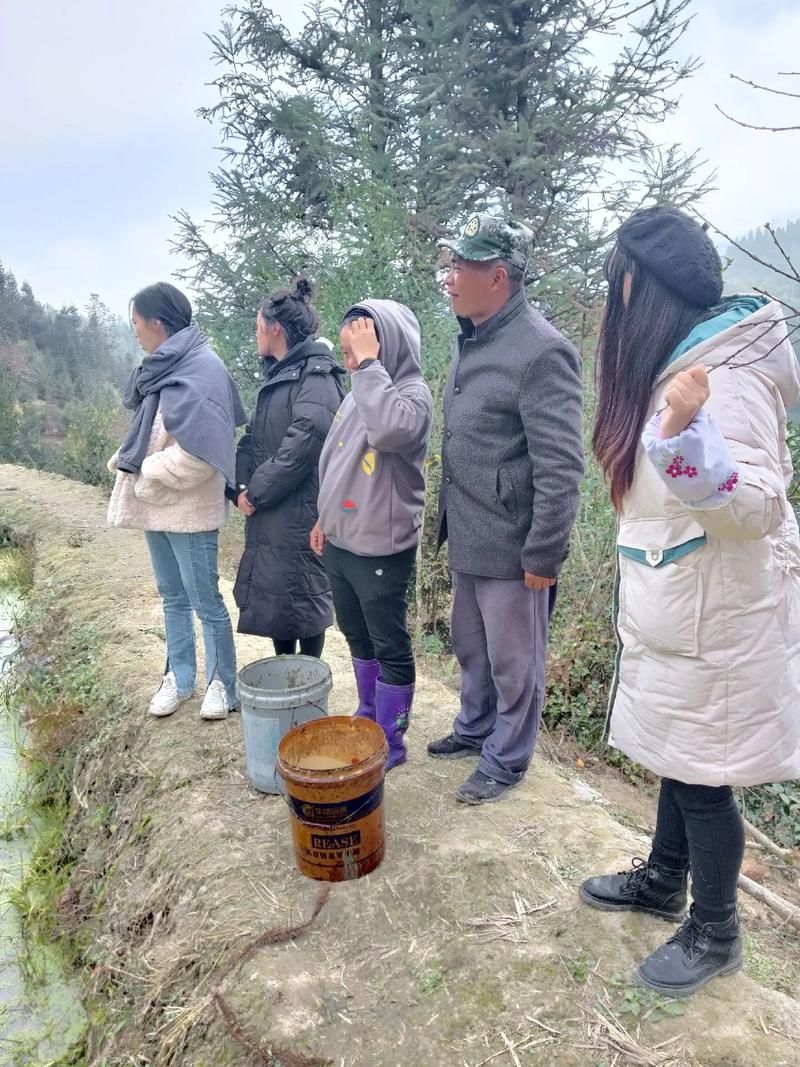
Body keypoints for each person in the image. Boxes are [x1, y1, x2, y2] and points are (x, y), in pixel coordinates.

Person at [581, 206, 800, 996]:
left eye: (617, 286)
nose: (612, 304)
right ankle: (665, 880)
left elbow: (759, 504)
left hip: (719, 617)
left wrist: (678, 434)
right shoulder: (684, 361)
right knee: (681, 754)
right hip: (685, 606)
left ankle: (716, 931)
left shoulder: (725, 377)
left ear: (642, 287)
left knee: (705, 777)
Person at [428, 214, 584, 804]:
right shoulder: (476, 337)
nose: (449, 277)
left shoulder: (542, 351)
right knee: (471, 645)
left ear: (497, 277)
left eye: (459, 267)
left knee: (516, 663)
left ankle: (507, 757)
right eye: (449, 264)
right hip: (470, 531)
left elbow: (561, 467)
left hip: (514, 544)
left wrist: (544, 554)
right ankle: (474, 728)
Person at [108, 282, 246, 720]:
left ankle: (223, 684)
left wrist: (146, 470)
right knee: (172, 596)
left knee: (205, 598)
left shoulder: (203, 369)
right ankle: (180, 678)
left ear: (158, 323)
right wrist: (128, 460)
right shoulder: (161, 366)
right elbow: (153, 430)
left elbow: (204, 452)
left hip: (189, 505)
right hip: (155, 504)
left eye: (136, 323)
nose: (135, 333)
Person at [311, 301, 432, 769]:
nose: (348, 363)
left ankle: (392, 742)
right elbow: (338, 461)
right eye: (344, 353)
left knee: (389, 643)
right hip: (343, 542)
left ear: (385, 347)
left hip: (381, 544)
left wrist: (368, 365)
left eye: (354, 351)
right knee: (356, 634)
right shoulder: (363, 386)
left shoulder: (410, 395)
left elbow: (389, 432)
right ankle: (368, 716)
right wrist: (325, 518)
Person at [231, 278, 345, 657]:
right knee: (279, 603)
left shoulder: (317, 375)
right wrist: (238, 487)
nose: (255, 334)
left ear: (275, 329)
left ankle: (308, 684)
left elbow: (305, 441)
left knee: (304, 600)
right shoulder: (279, 374)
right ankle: (285, 681)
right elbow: (253, 438)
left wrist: (257, 491)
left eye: (258, 327)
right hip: (273, 508)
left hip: (303, 509)